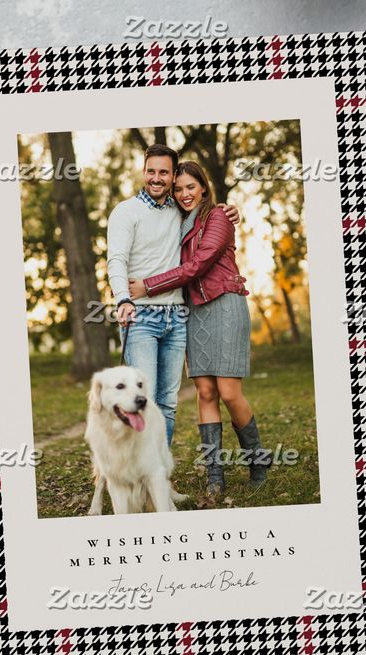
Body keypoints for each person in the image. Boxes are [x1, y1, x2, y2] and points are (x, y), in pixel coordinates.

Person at [129, 161, 271, 494]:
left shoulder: (218, 217)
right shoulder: (175, 222)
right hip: (193, 310)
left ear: (204, 187)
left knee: (229, 392)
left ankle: (257, 459)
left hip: (224, 304)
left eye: (190, 187)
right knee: (205, 392)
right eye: (178, 189)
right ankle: (215, 477)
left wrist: (148, 285)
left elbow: (198, 264)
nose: (184, 194)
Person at [106, 144, 238, 445]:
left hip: (177, 317)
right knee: (143, 399)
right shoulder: (126, 211)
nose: (156, 178)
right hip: (140, 316)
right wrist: (122, 298)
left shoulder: (181, 210)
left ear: (172, 175)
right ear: (143, 172)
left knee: (167, 403)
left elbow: (208, 215)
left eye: (163, 172)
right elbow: (116, 259)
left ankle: (159, 479)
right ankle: (135, 480)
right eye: (151, 171)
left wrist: (228, 209)